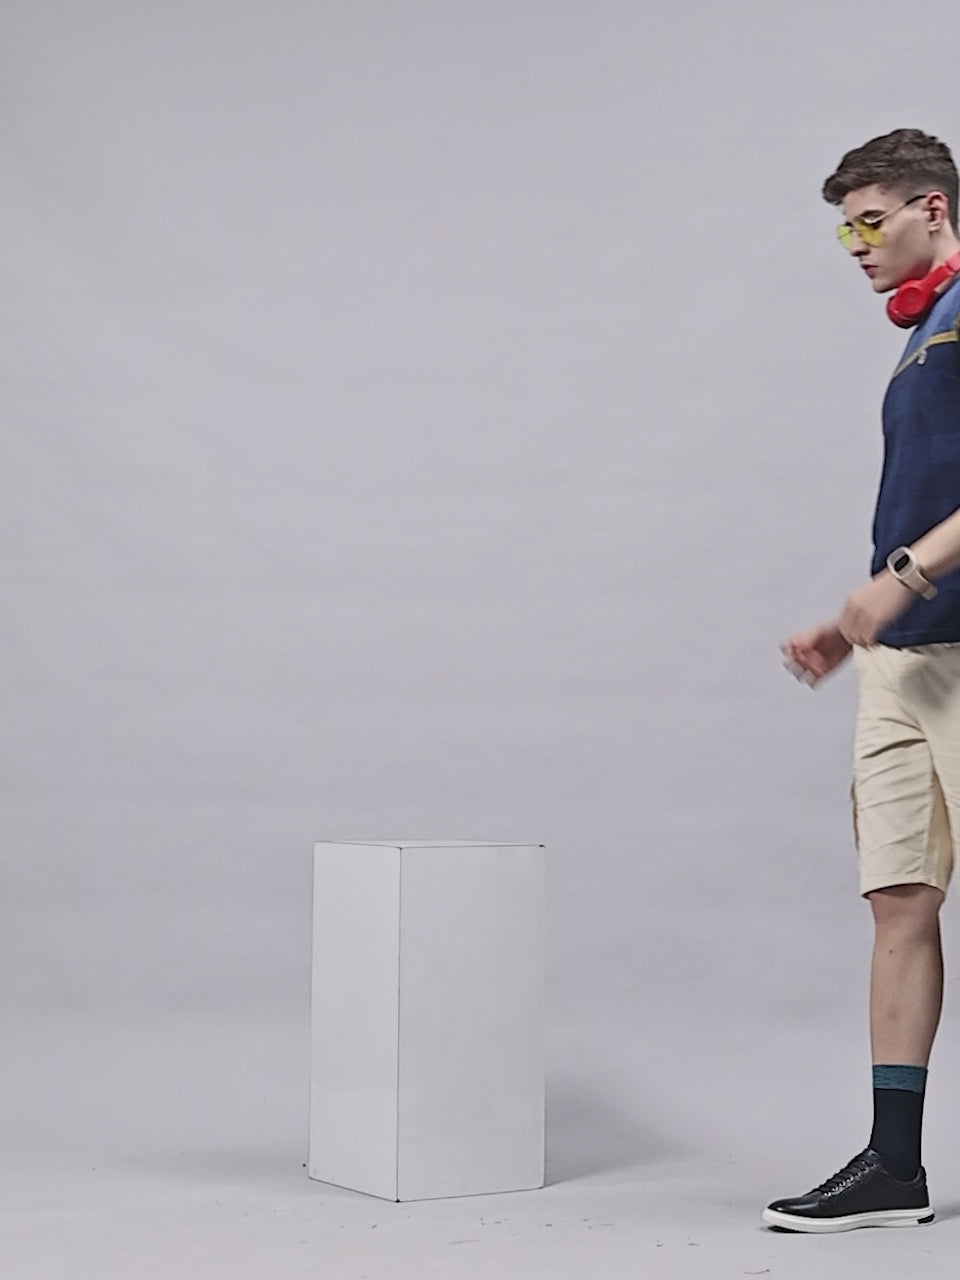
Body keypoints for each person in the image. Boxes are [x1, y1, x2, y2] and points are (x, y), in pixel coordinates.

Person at [764, 128, 960, 1234]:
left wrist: (901, 579)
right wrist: (859, 624)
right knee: (899, 898)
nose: (856, 246)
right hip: (901, 659)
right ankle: (894, 1164)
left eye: (869, 221)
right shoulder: (923, 332)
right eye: (846, 229)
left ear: (933, 207)